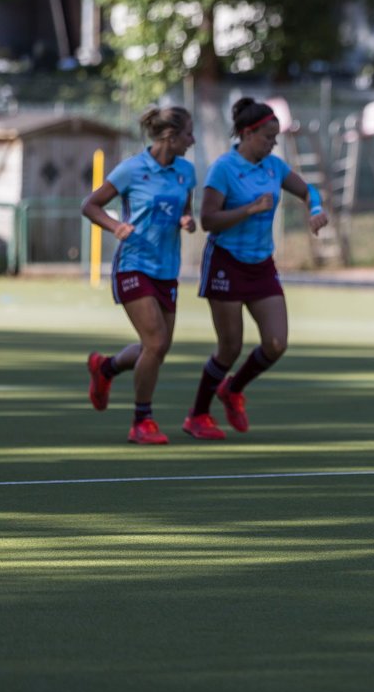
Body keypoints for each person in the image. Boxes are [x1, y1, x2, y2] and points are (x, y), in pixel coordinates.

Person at [182, 97, 328, 440]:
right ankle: (197, 415)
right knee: (229, 348)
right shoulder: (224, 168)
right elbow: (208, 221)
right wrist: (248, 209)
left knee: (276, 343)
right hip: (226, 263)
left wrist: (315, 209)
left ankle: (233, 390)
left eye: (275, 138)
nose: (273, 143)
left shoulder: (273, 167)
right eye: (268, 137)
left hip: (261, 264)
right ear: (248, 134)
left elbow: (309, 190)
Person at [83, 107, 198, 445]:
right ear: (171, 136)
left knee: (158, 349)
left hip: (167, 269)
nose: (193, 141)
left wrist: (186, 220)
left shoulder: (186, 172)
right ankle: (141, 421)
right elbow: (90, 205)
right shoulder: (132, 169)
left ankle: (106, 368)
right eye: (189, 134)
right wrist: (115, 225)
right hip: (134, 265)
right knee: (156, 342)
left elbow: (184, 208)